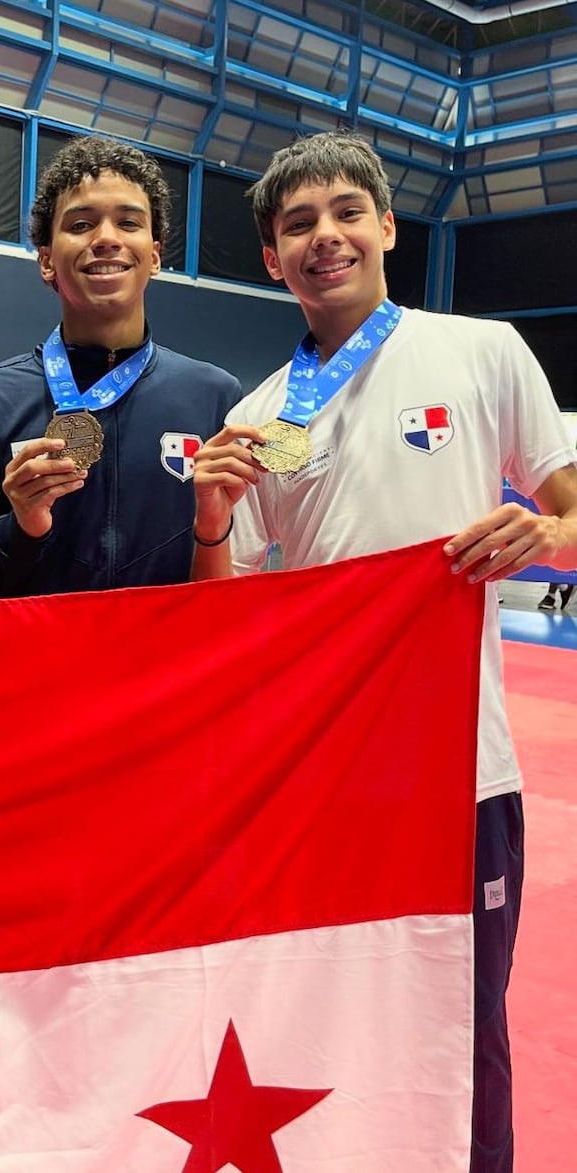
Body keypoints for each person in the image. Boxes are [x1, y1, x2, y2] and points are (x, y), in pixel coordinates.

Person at [190, 129, 577, 1173]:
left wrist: (550, 537)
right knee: (333, 1021)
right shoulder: (258, 417)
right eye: (299, 224)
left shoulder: (482, 350)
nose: (327, 237)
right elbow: (234, 621)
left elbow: (572, 509)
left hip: (461, 773)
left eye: (345, 213)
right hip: (323, 779)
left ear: (387, 226)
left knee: (468, 1020)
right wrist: (214, 518)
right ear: (271, 257)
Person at [0, 135, 242, 597]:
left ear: (155, 256)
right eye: (81, 224)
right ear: (47, 260)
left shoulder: (214, 396)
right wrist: (21, 528)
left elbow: (233, 573)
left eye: (128, 222)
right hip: (38, 666)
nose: (106, 239)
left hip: (172, 666)